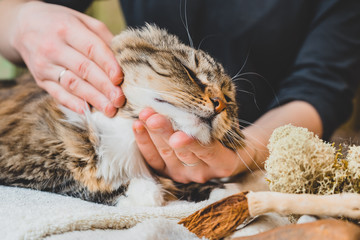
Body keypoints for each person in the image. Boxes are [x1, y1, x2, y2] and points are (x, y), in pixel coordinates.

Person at [0, 0, 359, 184]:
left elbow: (321, 88)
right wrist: (20, 20)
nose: (216, 102)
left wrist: (247, 150)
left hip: (255, 139)